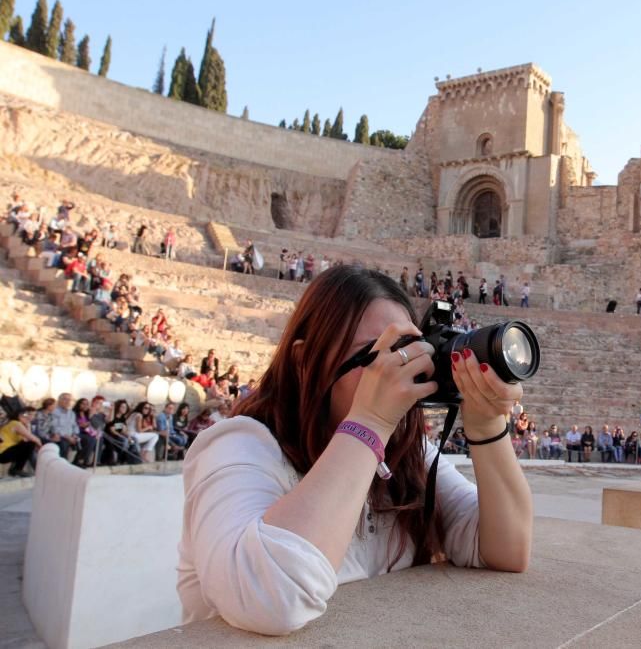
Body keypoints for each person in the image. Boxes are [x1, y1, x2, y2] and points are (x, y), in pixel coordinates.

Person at [176, 265, 532, 635]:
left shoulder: (409, 456)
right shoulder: (238, 445)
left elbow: (505, 548)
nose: (394, 369)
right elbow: (272, 600)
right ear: (304, 359)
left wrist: (487, 426)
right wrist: (370, 423)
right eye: (374, 355)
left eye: (407, 352)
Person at [0, 406, 42, 477]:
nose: (30, 417)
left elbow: (27, 440)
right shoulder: (15, 423)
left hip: (6, 453)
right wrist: (41, 448)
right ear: (19, 415)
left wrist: (28, 425)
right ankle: (17, 469)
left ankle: (15, 469)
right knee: (30, 444)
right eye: (27, 415)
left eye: (33, 415)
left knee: (28, 445)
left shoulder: (17, 424)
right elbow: (33, 439)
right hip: (2, 454)